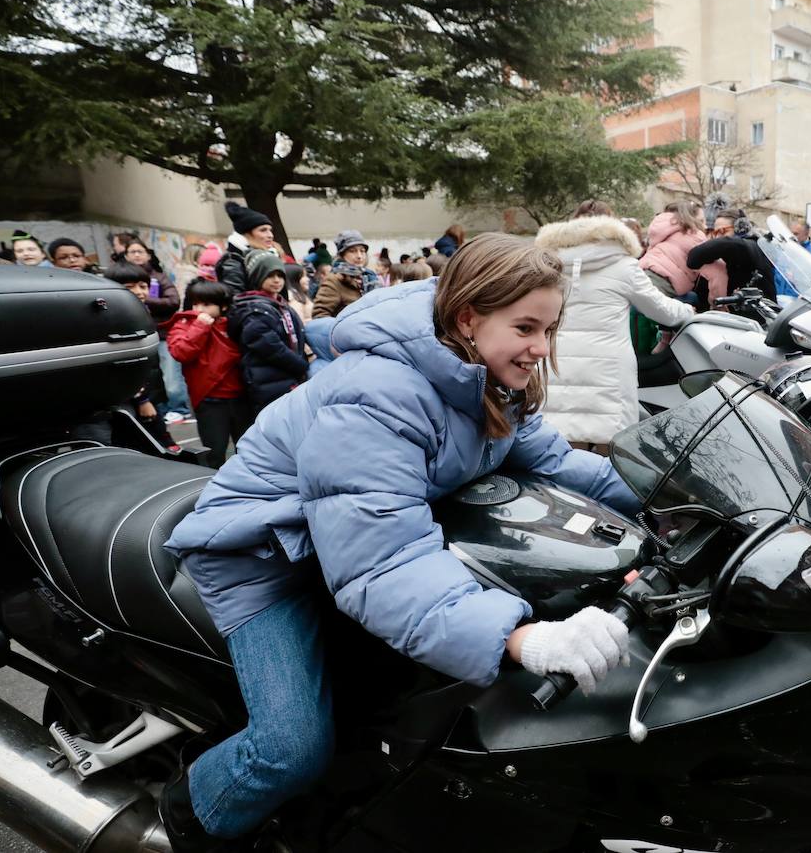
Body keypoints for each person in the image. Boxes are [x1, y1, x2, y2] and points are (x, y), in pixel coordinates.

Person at [159, 236, 639, 847]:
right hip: (265, 558)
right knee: (291, 748)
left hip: (345, 542)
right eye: (526, 327)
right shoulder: (379, 394)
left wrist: (671, 496)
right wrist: (521, 637)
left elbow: (562, 464)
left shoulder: (481, 377)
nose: (541, 348)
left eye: (549, 329)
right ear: (468, 317)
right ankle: (183, 823)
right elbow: (380, 564)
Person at [534, 216, 693, 447]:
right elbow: (662, 310)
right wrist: (688, 310)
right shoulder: (624, 266)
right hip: (609, 369)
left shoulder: (546, 267)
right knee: (611, 450)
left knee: (561, 442)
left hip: (557, 361)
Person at [167, 281, 249, 468]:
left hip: (240, 398)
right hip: (209, 400)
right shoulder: (185, 324)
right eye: (196, 304)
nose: (199, 309)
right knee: (214, 453)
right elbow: (180, 352)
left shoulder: (234, 324)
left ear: (223, 306)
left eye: (206, 304)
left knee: (247, 450)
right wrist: (200, 327)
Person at [105, 262, 181, 452]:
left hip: (148, 393)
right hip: (130, 399)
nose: (139, 292)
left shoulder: (141, 313)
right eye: (129, 287)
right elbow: (127, 361)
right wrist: (142, 400)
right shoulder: (117, 320)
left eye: (143, 286)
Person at [228, 249, 308, 418]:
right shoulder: (253, 308)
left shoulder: (278, 303)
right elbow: (270, 346)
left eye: (280, 275)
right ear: (257, 277)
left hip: (287, 379)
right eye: (270, 275)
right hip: (268, 383)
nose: (277, 280)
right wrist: (301, 366)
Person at [639, 202, 726, 307]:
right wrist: (718, 305)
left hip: (642, 274)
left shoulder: (665, 232)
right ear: (689, 218)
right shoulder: (695, 236)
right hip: (663, 285)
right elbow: (717, 272)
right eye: (701, 221)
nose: (705, 226)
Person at [687, 209, 777, 300]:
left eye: (722, 231)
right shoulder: (738, 251)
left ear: (740, 229)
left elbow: (693, 258)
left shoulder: (748, 246)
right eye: (715, 233)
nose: (718, 237)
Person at [311, 230, 379, 319]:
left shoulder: (370, 277)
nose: (359, 256)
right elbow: (319, 316)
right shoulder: (334, 280)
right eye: (352, 251)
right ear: (342, 255)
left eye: (362, 251)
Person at [217, 202, 278, 293]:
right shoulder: (233, 262)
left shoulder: (270, 256)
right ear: (246, 234)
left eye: (270, 230)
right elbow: (236, 298)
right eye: (263, 230)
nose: (270, 235)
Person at [282, 263, 314, 328]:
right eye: (303, 276)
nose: (307, 279)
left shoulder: (300, 295)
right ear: (293, 278)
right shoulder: (293, 299)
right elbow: (300, 324)